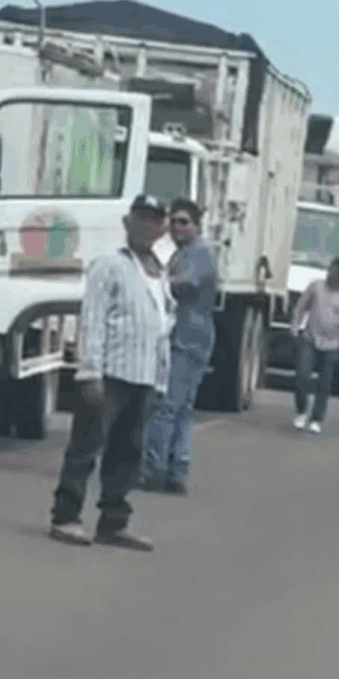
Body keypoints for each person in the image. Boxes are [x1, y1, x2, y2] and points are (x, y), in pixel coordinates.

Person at [49, 195, 174, 550]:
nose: (147, 226)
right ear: (127, 223)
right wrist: (90, 372)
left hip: (143, 375)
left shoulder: (159, 272)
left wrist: (161, 379)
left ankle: (114, 523)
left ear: (162, 228)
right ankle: (66, 516)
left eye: (154, 220)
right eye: (141, 219)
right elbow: (92, 320)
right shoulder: (109, 265)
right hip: (110, 374)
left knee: (127, 453)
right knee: (86, 448)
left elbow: (163, 328)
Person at [140, 198, 217, 493]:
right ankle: (176, 470)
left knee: (166, 407)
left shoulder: (199, 252)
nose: (176, 227)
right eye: (172, 222)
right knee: (181, 409)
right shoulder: (182, 253)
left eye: (183, 222)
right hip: (190, 336)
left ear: (197, 225)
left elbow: (187, 283)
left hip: (187, 337)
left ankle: (155, 469)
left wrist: (155, 282)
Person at [290, 256, 339, 434]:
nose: (333, 274)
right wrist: (295, 325)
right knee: (302, 375)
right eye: (332, 270)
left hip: (332, 343)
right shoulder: (316, 286)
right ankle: (301, 411)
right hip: (310, 337)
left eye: (338, 272)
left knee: (324, 383)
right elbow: (300, 307)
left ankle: (316, 418)